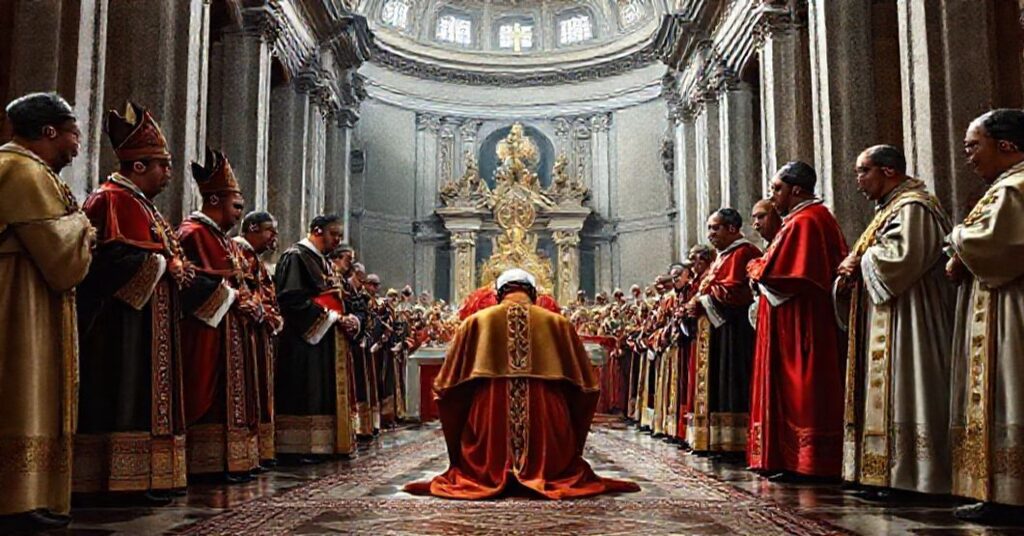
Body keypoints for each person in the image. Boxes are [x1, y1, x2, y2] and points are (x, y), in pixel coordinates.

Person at [404, 269, 640, 499]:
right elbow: (586, 386)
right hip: (545, 419)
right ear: (533, 292)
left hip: (490, 419)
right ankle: (547, 469)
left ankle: (489, 472)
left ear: (499, 293)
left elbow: (448, 386)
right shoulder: (558, 323)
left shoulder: (476, 322)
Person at [74, 102, 191, 501]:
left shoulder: (143, 205)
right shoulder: (109, 199)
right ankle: (117, 479)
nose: (169, 174)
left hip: (149, 325)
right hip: (120, 328)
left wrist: (170, 267)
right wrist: (163, 264)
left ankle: (149, 475)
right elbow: (106, 263)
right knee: (122, 395)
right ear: (138, 167)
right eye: (163, 165)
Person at [834, 145, 953, 500]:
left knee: (911, 386)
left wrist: (861, 261)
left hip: (913, 317)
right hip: (892, 314)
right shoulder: (889, 210)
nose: (858, 182)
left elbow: (903, 258)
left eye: (863, 171)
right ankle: (889, 473)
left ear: (888, 171)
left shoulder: (914, 206)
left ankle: (916, 476)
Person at [0, 92, 94, 531]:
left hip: (32, 296)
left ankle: (30, 495)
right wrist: (83, 226)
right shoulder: (22, 170)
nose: (77, 144)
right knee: (23, 390)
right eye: (74, 133)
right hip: (20, 301)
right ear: (50, 132)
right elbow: (59, 258)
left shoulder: (31, 170)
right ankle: (17, 499)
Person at [747, 161, 848, 481]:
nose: (772, 196)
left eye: (776, 189)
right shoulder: (801, 219)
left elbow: (781, 272)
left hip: (803, 325)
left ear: (797, 190)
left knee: (803, 389)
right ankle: (790, 460)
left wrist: (753, 269)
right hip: (792, 320)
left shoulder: (806, 221)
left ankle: (807, 463)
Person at [946, 109, 1024, 521]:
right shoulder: (1004, 186)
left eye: (974, 146)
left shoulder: (1017, 186)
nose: (969, 157)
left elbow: (1000, 242)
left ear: (1007, 146)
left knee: (1012, 388)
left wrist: (957, 242)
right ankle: (999, 488)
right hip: (997, 303)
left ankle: (1013, 492)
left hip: (1014, 309)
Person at [177, 148, 259, 482]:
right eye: (236, 206)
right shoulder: (193, 233)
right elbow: (190, 282)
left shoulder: (221, 239)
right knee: (206, 392)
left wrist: (249, 301)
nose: (240, 215)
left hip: (230, 329)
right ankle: (206, 463)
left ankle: (229, 461)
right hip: (205, 333)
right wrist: (232, 297)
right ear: (214, 200)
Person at [274, 216, 360, 461]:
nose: (337, 241)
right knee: (305, 391)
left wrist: (350, 318)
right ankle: (298, 447)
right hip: (302, 341)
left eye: (340, 236)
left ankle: (323, 445)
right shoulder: (295, 257)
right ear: (316, 230)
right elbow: (291, 300)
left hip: (325, 340)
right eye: (334, 234)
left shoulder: (322, 262)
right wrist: (333, 317)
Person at [685, 209, 761, 455]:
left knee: (731, 382)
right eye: (709, 228)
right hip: (716, 332)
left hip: (734, 331)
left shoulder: (744, 252)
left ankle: (734, 442)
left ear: (732, 228)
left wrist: (703, 299)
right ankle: (716, 439)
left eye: (715, 228)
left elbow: (738, 292)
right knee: (716, 383)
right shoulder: (722, 257)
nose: (710, 234)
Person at [233, 211, 283, 466]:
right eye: (269, 231)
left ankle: (259, 452)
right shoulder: (238, 252)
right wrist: (261, 310)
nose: (274, 238)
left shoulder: (256, 259)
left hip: (260, 331)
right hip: (244, 331)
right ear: (252, 228)